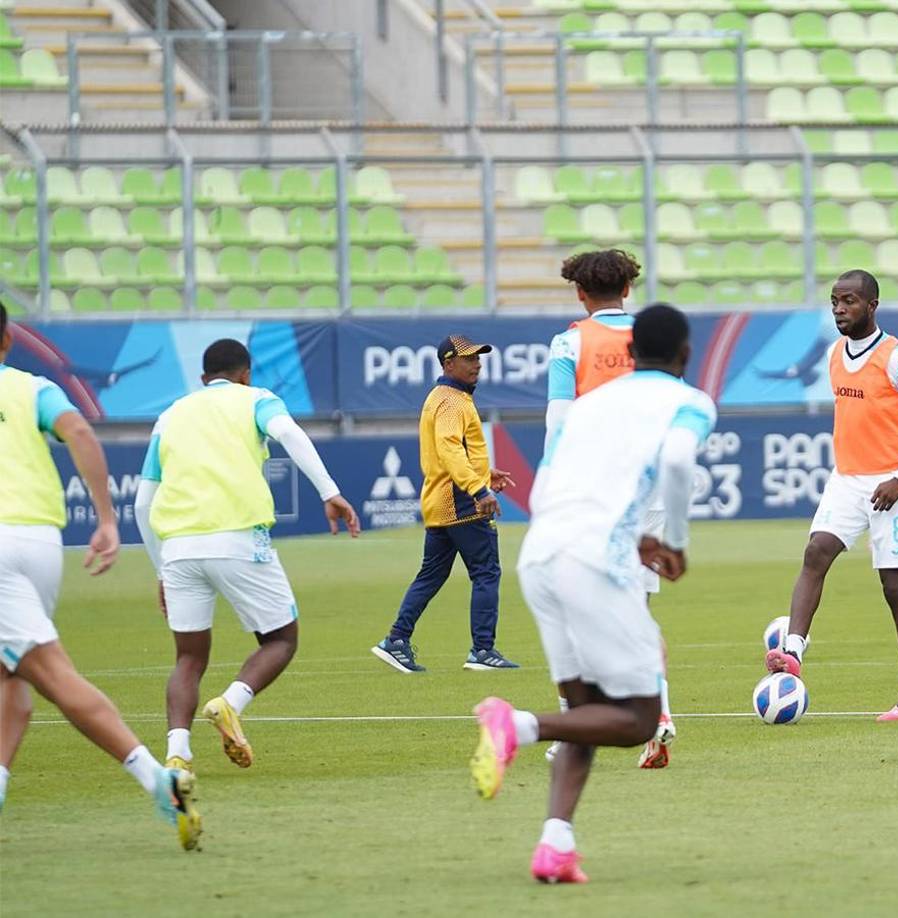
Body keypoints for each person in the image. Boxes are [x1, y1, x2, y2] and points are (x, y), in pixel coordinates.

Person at [469, 303, 717, 883]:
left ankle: (555, 845)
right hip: (594, 559)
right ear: (685, 354)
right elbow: (678, 460)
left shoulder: (591, 404)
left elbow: (554, 476)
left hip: (542, 552)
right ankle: (519, 726)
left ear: (630, 355)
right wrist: (671, 541)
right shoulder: (688, 401)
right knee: (637, 720)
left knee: (588, 711)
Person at [0, 302, 201, 849]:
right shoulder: (27, 388)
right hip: (40, 543)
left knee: (52, 674)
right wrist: (106, 519)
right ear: (6, 342)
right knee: (12, 678)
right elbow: (80, 434)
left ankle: (157, 781)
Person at [134, 338, 359, 773]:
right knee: (280, 639)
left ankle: (177, 753)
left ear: (202, 379)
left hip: (178, 549)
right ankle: (230, 703)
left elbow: (143, 503)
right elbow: (290, 433)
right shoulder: (256, 399)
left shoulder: (170, 415)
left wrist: (161, 567)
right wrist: (330, 493)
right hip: (237, 538)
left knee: (188, 658)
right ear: (245, 374)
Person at [765, 270, 898, 722]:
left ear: (872, 305)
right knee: (816, 552)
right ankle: (792, 654)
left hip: (894, 484)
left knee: (896, 591)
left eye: (848, 301)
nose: (839, 309)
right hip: (847, 480)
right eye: (834, 301)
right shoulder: (834, 354)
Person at [547, 248, 676, 769]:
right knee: (637, 611)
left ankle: (570, 727)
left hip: (595, 491)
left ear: (580, 292)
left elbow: (559, 422)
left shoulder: (570, 341)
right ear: (628, 289)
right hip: (650, 488)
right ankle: (660, 714)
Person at [371, 335, 518, 673]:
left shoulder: (444, 397)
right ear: (448, 363)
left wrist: (483, 472)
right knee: (486, 572)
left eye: (479, 358)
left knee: (432, 575)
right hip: (460, 500)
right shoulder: (452, 401)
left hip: (442, 499)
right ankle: (483, 650)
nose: (477, 364)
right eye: (469, 359)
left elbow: (448, 450)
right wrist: (478, 490)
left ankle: (396, 639)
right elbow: (450, 449)